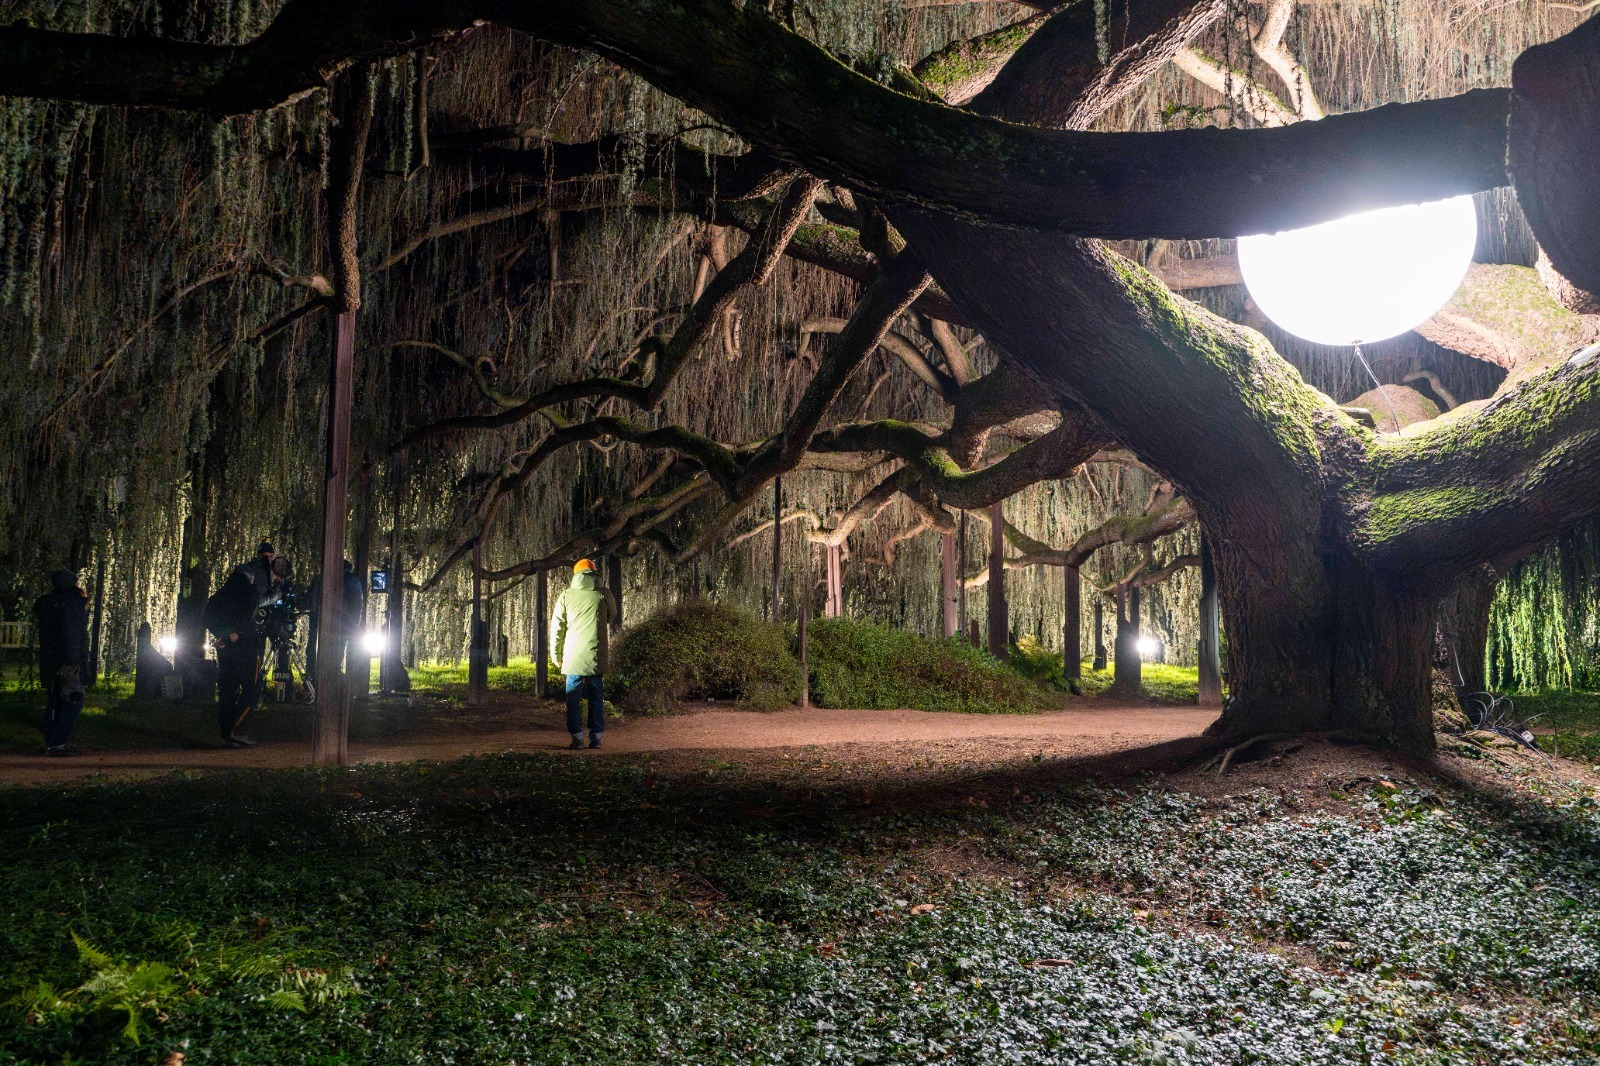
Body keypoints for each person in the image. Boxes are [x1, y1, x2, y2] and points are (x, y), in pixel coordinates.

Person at [204, 559, 274, 748]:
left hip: (225, 649)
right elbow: (246, 617)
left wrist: (221, 634)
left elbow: (208, 615)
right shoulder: (250, 592)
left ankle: (225, 729)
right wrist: (233, 634)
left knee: (228, 688)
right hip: (246, 648)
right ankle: (237, 729)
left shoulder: (222, 593)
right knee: (253, 687)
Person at [550, 558, 617, 750]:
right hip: (595, 655)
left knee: (573, 697)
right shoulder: (603, 594)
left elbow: (557, 629)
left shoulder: (566, 596)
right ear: (595, 575)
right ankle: (596, 736)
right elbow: (611, 616)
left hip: (572, 657)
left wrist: (557, 656)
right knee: (596, 695)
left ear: (576, 576)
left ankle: (577, 737)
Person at [33, 568, 88, 756]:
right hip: (67, 660)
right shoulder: (73, 605)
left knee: (55, 700)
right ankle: (57, 742)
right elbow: (72, 635)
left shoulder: (46, 604)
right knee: (73, 699)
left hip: (50, 659)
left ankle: (52, 741)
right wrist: (73, 661)